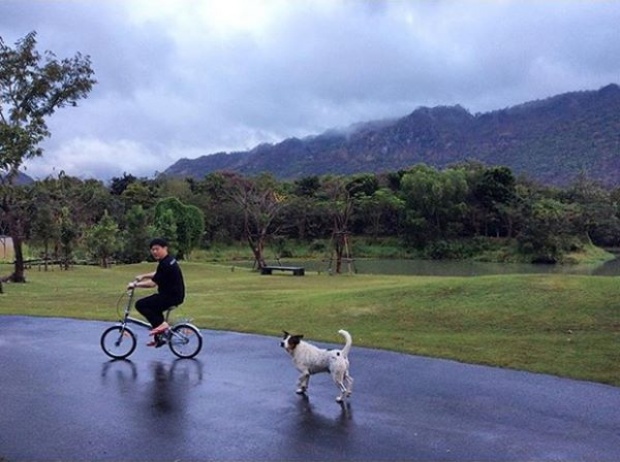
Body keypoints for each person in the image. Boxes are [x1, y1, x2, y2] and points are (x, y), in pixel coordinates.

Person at [128, 237, 185, 347]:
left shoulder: (165, 264)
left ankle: (162, 326)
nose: (154, 252)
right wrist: (143, 276)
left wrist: (134, 285)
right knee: (154, 308)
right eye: (152, 249)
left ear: (165, 248)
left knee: (141, 304)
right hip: (174, 295)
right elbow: (158, 273)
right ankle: (160, 337)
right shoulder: (168, 260)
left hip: (170, 296)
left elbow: (152, 284)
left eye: (157, 249)